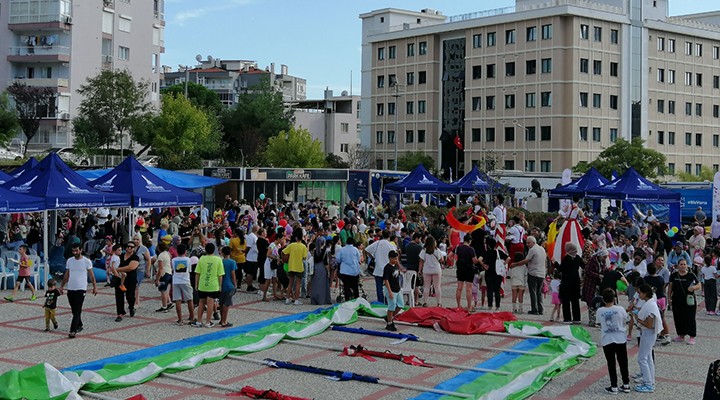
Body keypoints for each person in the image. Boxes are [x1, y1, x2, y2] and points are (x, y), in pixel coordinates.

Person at [596, 288, 631, 394]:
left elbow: (598, 323)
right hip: (620, 338)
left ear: (603, 299)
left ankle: (614, 385)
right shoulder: (620, 309)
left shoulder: (600, 311)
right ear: (614, 298)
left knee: (611, 363)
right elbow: (627, 319)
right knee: (623, 362)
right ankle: (626, 384)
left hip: (607, 339)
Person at [60, 243, 97, 338]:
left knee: (77, 310)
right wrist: (62, 286)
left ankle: (73, 330)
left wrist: (94, 287)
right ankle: (79, 324)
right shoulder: (70, 260)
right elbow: (67, 274)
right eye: (73, 251)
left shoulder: (86, 261)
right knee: (73, 309)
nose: (75, 252)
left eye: (76, 250)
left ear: (81, 250)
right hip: (71, 287)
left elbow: (91, 275)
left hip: (81, 288)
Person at [634, 284, 662, 393]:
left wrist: (638, 319)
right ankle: (651, 380)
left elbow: (649, 325)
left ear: (645, 293)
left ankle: (648, 384)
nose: (639, 295)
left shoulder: (650, 306)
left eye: (640, 293)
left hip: (648, 333)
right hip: (649, 333)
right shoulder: (650, 303)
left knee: (642, 358)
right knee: (649, 357)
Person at [667, 258, 701, 344]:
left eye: (684, 264)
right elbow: (670, 288)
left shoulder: (691, 275)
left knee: (690, 318)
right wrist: (669, 298)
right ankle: (681, 335)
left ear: (687, 265)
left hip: (689, 300)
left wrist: (693, 288)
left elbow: (699, 285)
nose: (683, 266)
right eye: (681, 264)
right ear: (678, 265)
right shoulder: (673, 275)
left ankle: (692, 336)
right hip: (676, 300)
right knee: (678, 318)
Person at [510, 236, 546, 315]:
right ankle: (541, 309)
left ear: (533, 242)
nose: (527, 244)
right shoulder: (542, 249)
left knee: (533, 292)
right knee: (539, 292)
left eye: (528, 243)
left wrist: (515, 264)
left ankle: (535, 309)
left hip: (533, 273)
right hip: (542, 273)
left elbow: (527, 260)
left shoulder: (533, 249)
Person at [193, 243, 224, 328]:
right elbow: (220, 274)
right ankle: (208, 322)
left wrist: (196, 284)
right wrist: (220, 285)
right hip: (213, 285)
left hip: (202, 284)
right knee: (211, 302)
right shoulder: (218, 259)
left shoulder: (201, 259)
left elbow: (197, 273)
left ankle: (199, 321)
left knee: (201, 302)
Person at [552, 196, 585, 264]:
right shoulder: (578, 209)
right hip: (573, 223)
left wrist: (556, 219)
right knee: (576, 238)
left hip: (566, 223)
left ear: (572, 200)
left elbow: (562, 214)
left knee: (562, 238)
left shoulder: (568, 206)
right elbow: (584, 218)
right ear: (579, 201)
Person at [644, 262, 671, 345]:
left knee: (653, 317)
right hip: (662, 299)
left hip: (653, 300)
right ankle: (664, 334)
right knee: (662, 317)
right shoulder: (660, 278)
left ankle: (663, 334)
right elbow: (663, 288)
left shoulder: (646, 279)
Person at [365, 230, 395, 304]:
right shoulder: (391, 245)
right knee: (388, 287)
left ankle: (380, 302)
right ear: (389, 236)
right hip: (387, 269)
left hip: (378, 268)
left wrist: (372, 257)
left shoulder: (377, 243)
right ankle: (387, 301)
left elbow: (367, 250)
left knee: (379, 287)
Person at [114, 242, 139, 322]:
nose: (129, 248)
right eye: (127, 246)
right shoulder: (120, 256)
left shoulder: (135, 257)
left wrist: (117, 269)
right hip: (120, 278)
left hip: (130, 279)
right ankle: (120, 313)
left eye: (131, 247)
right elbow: (113, 264)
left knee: (130, 296)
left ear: (134, 248)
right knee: (119, 296)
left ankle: (131, 307)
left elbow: (131, 267)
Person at [559, 242, 584, 324]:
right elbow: (584, 265)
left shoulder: (566, 258)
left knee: (566, 300)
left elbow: (561, 269)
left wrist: (555, 263)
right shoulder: (577, 257)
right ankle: (577, 318)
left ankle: (567, 318)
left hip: (567, 281)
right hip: (576, 281)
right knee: (575, 300)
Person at [171, 244, 195, 325]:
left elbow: (173, 269)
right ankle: (192, 317)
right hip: (185, 280)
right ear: (185, 251)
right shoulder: (188, 260)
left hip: (176, 280)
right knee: (189, 299)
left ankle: (180, 319)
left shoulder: (173, 260)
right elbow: (190, 270)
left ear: (177, 251)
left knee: (178, 300)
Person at [583, 248, 607, 327]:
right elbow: (588, 271)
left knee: (598, 302)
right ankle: (592, 321)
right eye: (604, 257)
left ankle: (598, 320)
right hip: (591, 284)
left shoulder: (603, 262)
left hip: (598, 285)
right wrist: (597, 275)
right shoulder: (592, 260)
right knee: (591, 302)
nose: (605, 258)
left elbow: (604, 270)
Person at [419, 236, 445, 308]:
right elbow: (441, 260)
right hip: (436, 270)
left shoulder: (424, 250)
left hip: (426, 270)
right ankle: (439, 303)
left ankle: (425, 302)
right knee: (437, 287)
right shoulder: (437, 250)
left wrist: (419, 270)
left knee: (426, 287)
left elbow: (421, 261)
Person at [282, 231, 307, 305]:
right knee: (298, 284)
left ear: (296, 237)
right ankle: (296, 300)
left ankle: (287, 298)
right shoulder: (303, 246)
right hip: (299, 266)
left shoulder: (291, 245)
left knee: (290, 283)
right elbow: (304, 257)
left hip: (291, 265)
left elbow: (283, 252)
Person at [454, 235, 478, 311]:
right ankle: (469, 306)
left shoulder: (458, 247)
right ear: (470, 241)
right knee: (469, 289)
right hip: (469, 270)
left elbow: (449, 256)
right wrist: (478, 260)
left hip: (460, 269)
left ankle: (458, 305)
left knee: (459, 288)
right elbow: (474, 260)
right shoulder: (471, 249)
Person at [383, 250, 404, 331]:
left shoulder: (395, 266)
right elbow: (386, 280)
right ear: (390, 258)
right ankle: (389, 323)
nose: (396, 260)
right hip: (391, 289)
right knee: (391, 307)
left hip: (397, 289)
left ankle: (389, 317)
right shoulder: (387, 268)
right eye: (395, 259)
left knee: (400, 305)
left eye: (397, 259)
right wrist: (390, 292)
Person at [336, 237, 362, 301]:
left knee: (346, 287)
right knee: (355, 286)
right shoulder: (355, 249)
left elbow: (338, 259)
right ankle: (356, 299)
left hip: (345, 271)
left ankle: (347, 300)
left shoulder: (342, 249)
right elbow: (359, 259)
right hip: (354, 271)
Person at [219, 247, 237, 328]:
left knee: (221, 303)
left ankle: (221, 319)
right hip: (229, 285)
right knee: (226, 304)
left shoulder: (221, 262)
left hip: (221, 285)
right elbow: (233, 274)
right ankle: (224, 321)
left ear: (222, 253)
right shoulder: (232, 262)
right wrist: (235, 284)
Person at [310, 236, 331, 305]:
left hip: (315, 268)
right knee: (322, 285)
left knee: (315, 284)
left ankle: (314, 299)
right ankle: (322, 300)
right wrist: (328, 271)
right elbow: (326, 263)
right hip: (321, 268)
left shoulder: (314, 251)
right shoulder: (325, 251)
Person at [154, 241, 173, 313]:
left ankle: (164, 306)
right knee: (166, 290)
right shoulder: (167, 254)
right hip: (169, 273)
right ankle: (169, 302)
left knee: (163, 291)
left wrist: (157, 279)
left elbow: (161, 268)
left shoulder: (161, 256)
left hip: (163, 274)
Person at [244, 225, 260, 293]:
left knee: (252, 272)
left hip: (254, 257)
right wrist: (245, 253)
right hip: (251, 257)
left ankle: (251, 285)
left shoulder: (255, 236)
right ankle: (249, 286)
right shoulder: (251, 236)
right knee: (250, 272)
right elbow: (248, 246)